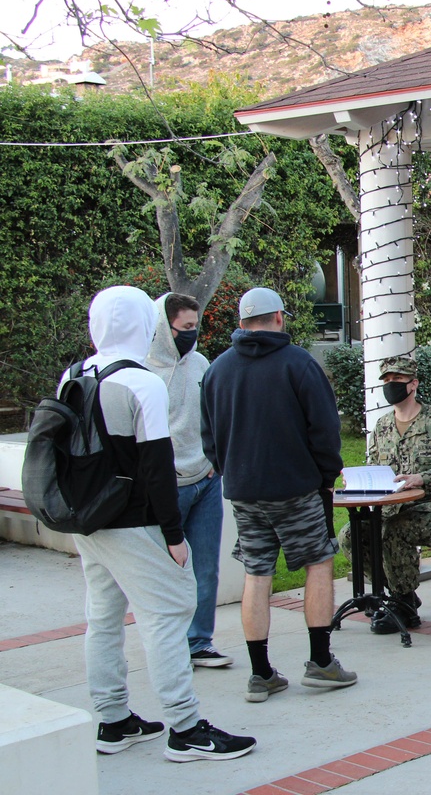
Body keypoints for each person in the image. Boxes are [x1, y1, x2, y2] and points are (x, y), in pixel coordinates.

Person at [70, 285, 255, 762]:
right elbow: (156, 467)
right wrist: (174, 536)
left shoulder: (75, 374)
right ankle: (186, 727)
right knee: (168, 616)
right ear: (146, 323)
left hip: (87, 520)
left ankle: (113, 721)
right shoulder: (142, 381)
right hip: (133, 521)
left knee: (103, 617)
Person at [200, 287, 356, 703]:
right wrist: (326, 475)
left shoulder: (217, 370)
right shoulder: (299, 363)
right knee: (319, 563)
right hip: (295, 489)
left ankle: (260, 673)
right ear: (280, 319)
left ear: (241, 322)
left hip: (244, 492)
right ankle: (321, 663)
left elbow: (209, 438)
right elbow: (324, 430)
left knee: (257, 572)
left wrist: (230, 469)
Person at [339, 356, 431, 634]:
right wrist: (358, 478)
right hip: (393, 508)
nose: (391, 386)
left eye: (397, 381)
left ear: (413, 384)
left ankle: (403, 606)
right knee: (351, 535)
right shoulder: (382, 427)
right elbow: (376, 468)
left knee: (393, 532)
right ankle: (397, 594)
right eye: (387, 381)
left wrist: (422, 478)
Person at [146, 292, 232, 668]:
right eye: (185, 328)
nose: (192, 335)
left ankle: (199, 642)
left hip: (206, 480)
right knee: (164, 570)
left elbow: (217, 413)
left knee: (206, 566)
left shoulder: (201, 363)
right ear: (165, 329)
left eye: (195, 327)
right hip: (167, 486)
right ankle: (169, 647)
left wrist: (215, 460)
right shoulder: (144, 372)